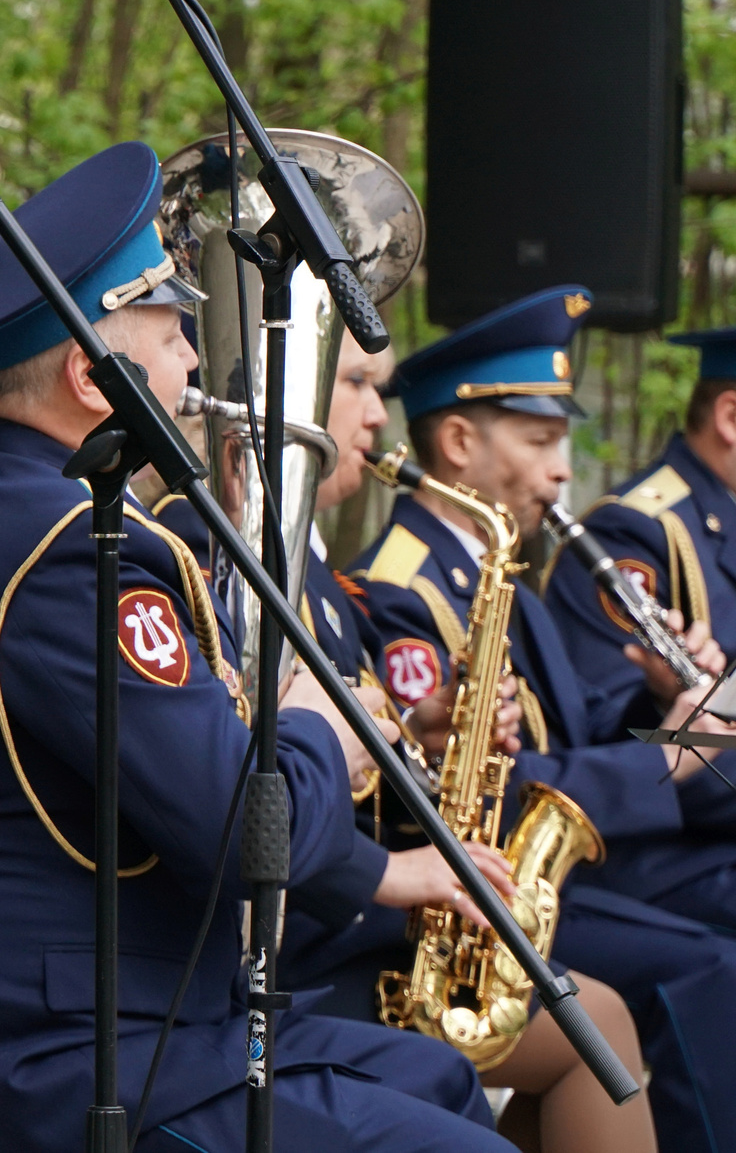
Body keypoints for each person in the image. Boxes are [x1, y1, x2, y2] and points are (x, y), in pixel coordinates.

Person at [0, 141, 503, 1153]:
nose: (197, 361)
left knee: (437, 1077)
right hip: (63, 1064)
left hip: (117, 1020)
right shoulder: (62, 552)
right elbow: (247, 841)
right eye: (170, 332)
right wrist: (317, 734)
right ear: (89, 378)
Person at [346, 287, 736, 1146]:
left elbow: (577, 728)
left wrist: (664, 702)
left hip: (535, 881)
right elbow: (444, 792)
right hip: (458, 901)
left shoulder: (500, 572)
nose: (563, 470)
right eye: (541, 440)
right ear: (457, 443)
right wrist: (669, 759)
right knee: (705, 965)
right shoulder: (400, 587)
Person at [276, 337, 655, 1153]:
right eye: (356, 385)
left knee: (607, 1018)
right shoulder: (373, 578)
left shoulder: (324, 574)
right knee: (641, 999)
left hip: (378, 908)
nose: (382, 415)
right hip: (316, 945)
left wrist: (418, 732)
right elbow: (250, 786)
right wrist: (393, 873)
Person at [541, 324, 736, 926]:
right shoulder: (636, 534)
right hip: (659, 853)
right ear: (731, 417)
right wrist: (668, 702)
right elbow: (611, 741)